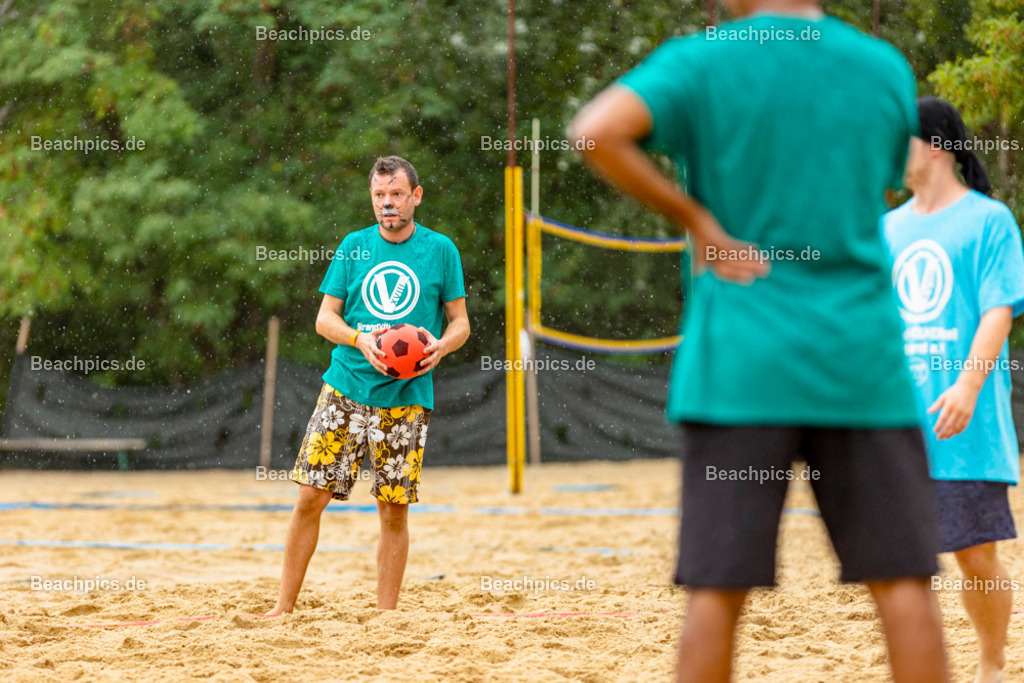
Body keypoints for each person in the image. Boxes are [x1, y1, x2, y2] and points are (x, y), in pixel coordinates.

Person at [567, 0, 949, 681]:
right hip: (859, 361)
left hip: (740, 364)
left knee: (717, 590)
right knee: (903, 582)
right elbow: (881, 178)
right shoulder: (881, 66)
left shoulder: (702, 61)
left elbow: (595, 132)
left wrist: (698, 222)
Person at [266, 155, 470, 613]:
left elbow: (460, 322)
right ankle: (282, 609)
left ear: (416, 196)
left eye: (396, 194)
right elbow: (325, 319)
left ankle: (386, 617)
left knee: (393, 509)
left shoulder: (441, 250)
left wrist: (442, 346)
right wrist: (360, 339)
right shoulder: (353, 246)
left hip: (407, 396)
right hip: (345, 387)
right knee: (309, 497)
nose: (387, 203)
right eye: (380, 195)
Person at [883, 96, 1024, 683]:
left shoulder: (989, 221)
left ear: (937, 146)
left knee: (975, 555)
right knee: (899, 566)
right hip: (895, 425)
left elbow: (999, 311)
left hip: (966, 426)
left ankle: (992, 663)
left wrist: (967, 386)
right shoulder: (886, 229)